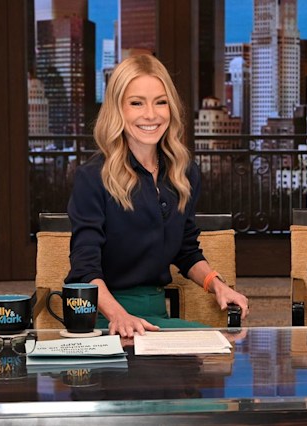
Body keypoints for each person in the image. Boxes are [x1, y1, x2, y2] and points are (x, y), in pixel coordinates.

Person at [65, 54, 249, 337]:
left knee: (215, 344)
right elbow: (84, 269)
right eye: (136, 103)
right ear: (117, 109)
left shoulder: (184, 173)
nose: (151, 115)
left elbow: (186, 251)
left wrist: (218, 285)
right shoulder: (92, 177)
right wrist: (119, 316)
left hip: (155, 316)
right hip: (104, 318)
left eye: (160, 102)